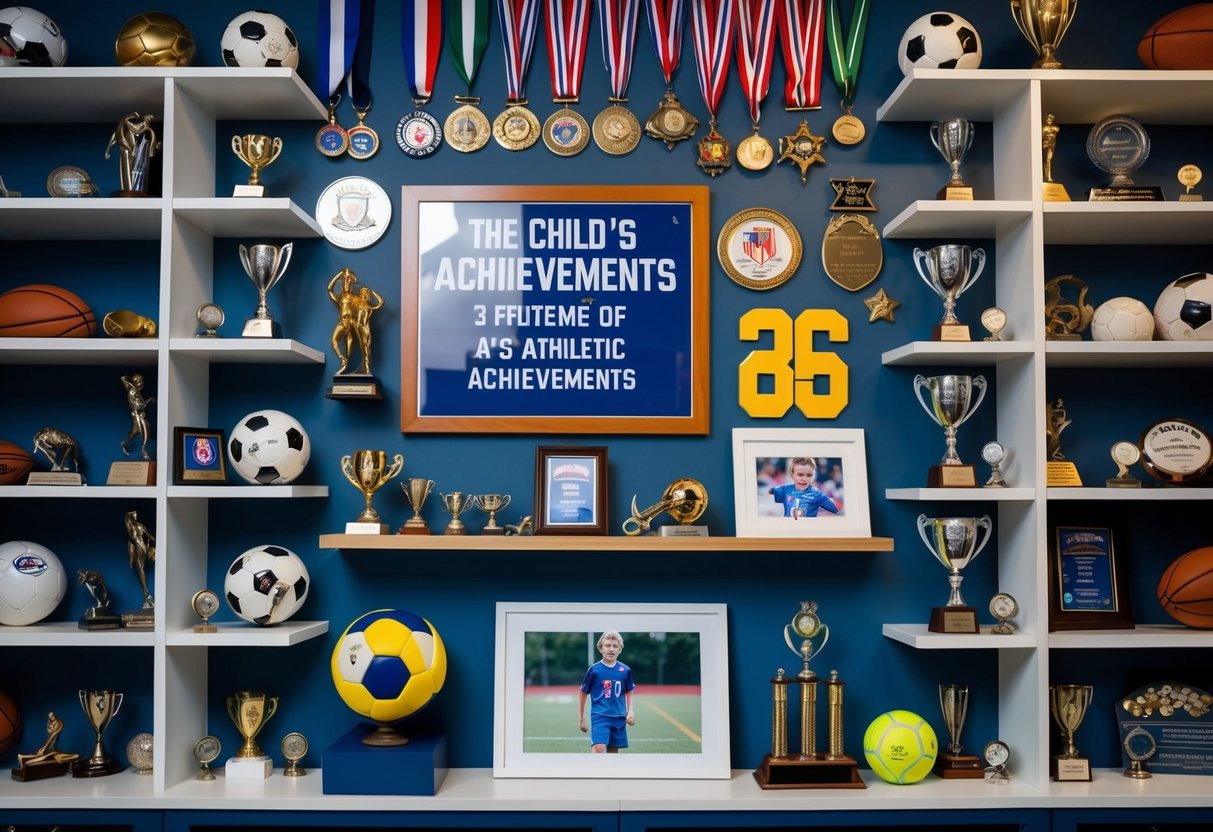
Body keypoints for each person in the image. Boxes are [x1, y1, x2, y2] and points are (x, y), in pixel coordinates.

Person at [578, 631, 636, 753]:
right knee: (599, 749)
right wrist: (581, 718)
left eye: (615, 646)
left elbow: (629, 689)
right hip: (600, 715)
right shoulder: (594, 670)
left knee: (613, 752)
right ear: (600, 648)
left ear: (620, 650)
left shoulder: (625, 670)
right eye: (608, 645)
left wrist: (630, 710)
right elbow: (583, 692)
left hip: (619, 717)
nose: (611, 649)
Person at [328, 268, 385, 376]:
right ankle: (343, 359)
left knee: (362, 345)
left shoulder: (355, 299)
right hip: (346, 322)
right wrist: (340, 274)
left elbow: (371, 305)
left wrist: (375, 301)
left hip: (353, 323)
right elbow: (329, 288)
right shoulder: (341, 298)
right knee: (334, 341)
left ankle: (365, 368)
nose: (346, 284)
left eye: (348, 282)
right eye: (345, 282)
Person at [769, 457, 839, 519]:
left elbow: (835, 509)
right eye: (800, 475)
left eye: (808, 475)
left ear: (813, 476)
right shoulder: (785, 489)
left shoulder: (817, 493)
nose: (804, 479)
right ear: (791, 474)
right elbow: (771, 491)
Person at [119, 373, 155, 459]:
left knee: (143, 431)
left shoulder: (135, 390)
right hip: (137, 416)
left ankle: (129, 445)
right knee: (141, 431)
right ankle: (144, 450)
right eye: (139, 381)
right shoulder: (133, 392)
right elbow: (139, 406)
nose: (141, 383)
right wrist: (150, 400)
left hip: (141, 415)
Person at [125, 510, 156, 609]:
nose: (135, 516)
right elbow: (126, 516)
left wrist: (156, 542)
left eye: (136, 515)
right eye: (134, 515)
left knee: (140, 567)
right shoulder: (131, 526)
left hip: (140, 545)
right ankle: (146, 596)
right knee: (140, 568)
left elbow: (149, 536)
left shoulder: (136, 526)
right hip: (140, 545)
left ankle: (146, 593)